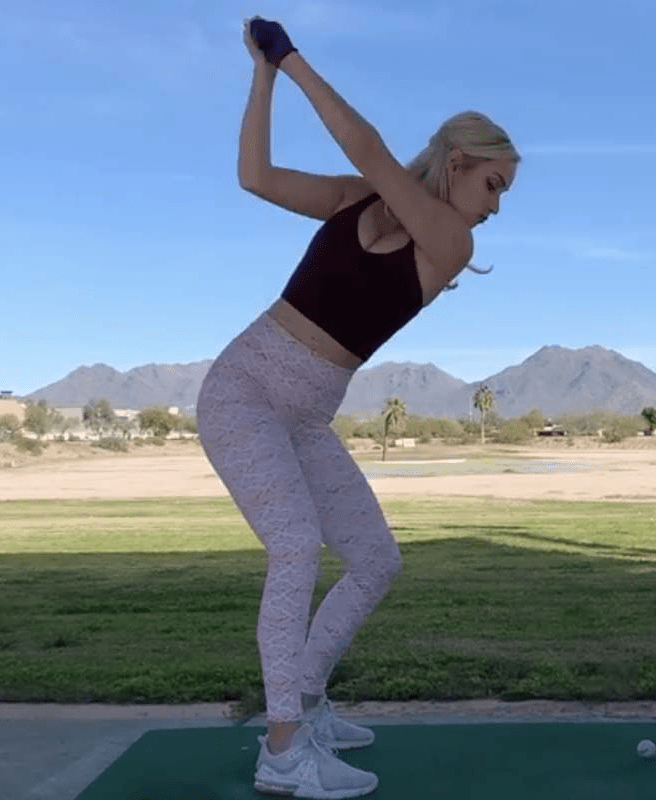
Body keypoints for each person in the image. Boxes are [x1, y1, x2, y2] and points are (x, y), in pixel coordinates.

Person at [195, 15, 521, 800]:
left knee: (375, 558)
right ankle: (282, 752)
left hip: (304, 415)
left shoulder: (450, 244)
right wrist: (267, 73)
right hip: (242, 390)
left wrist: (292, 58)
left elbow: (371, 150)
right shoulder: (354, 199)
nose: (496, 207)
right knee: (296, 547)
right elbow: (255, 176)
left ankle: (305, 703)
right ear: (457, 162)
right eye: (493, 185)